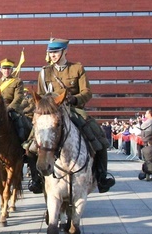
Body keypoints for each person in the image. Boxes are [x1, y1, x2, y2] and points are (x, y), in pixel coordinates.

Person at [34, 38, 115, 193]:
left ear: (65, 51)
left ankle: (101, 176)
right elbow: (40, 95)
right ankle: (36, 179)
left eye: (56, 52)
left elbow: (87, 92)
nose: (53, 55)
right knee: (31, 143)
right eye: (51, 53)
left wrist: (75, 98)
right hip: (52, 112)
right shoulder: (44, 72)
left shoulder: (77, 68)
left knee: (98, 138)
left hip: (73, 109)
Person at [0, 58, 29, 142]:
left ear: (12, 69)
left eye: (8, 69)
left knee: (20, 123)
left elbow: (18, 97)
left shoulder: (17, 81)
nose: (6, 71)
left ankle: (23, 144)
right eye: (4, 69)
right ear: (1, 70)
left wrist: (8, 108)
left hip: (11, 108)